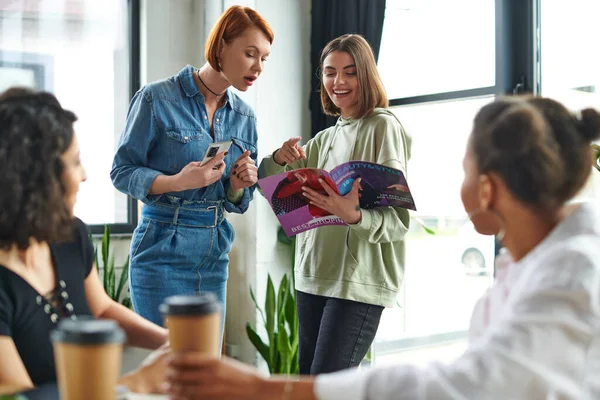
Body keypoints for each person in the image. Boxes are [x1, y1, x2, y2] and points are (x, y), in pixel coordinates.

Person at [161, 96, 600, 399]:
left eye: (463, 170)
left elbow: (466, 385)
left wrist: (262, 389)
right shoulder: (533, 263)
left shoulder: (572, 275)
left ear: (486, 189)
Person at [110, 5, 274, 329]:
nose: (258, 67)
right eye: (250, 53)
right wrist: (177, 182)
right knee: (168, 368)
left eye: (264, 58)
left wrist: (239, 187)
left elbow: (234, 203)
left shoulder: (245, 117)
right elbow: (121, 171)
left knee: (206, 370)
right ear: (222, 45)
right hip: (161, 248)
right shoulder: (157, 98)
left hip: (215, 250)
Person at [259, 34, 412, 374]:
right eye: (330, 72)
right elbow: (277, 194)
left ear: (366, 75)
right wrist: (279, 159)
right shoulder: (324, 139)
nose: (338, 82)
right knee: (308, 385)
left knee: (329, 386)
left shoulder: (383, 127)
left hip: (357, 282)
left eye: (350, 72)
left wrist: (353, 215)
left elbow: (399, 221)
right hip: (312, 275)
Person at [0, 88, 168, 393]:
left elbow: (101, 309)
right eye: (76, 162)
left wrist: (172, 343)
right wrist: (137, 383)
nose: (85, 175)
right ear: (39, 178)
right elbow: (18, 395)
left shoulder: (70, 234)